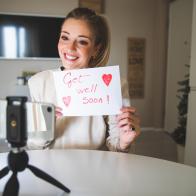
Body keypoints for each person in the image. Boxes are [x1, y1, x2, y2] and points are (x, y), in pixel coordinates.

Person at [28, 7, 141, 152]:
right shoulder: (38, 83)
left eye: (82, 41)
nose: (70, 47)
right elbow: (33, 147)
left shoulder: (115, 84)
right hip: (52, 167)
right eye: (65, 37)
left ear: (96, 49)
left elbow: (116, 147)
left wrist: (124, 141)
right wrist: (44, 128)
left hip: (96, 167)